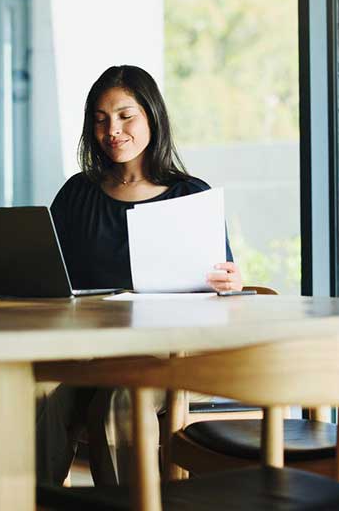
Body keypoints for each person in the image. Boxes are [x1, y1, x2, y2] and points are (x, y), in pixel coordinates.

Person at [37, 64, 243, 486]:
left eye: (125, 115)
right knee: (35, 392)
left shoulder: (191, 196)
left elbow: (223, 289)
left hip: (170, 355)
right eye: (100, 119)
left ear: (152, 117)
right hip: (91, 350)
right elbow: (48, 274)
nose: (112, 129)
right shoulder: (77, 193)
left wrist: (231, 285)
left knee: (119, 400)